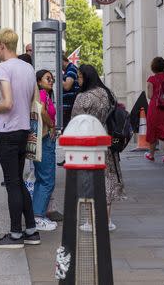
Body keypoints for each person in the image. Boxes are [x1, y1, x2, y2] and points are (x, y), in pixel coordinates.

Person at [0, 28, 41, 248]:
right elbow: (33, 100)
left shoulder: (4, 68)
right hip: (24, 129)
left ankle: (15, 234)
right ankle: (32, 230)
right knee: (18, 180)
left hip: (8, 131)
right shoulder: (28, 67)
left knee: (12, 183)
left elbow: (7, 103)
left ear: (1, 45)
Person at [71, 64, 125, 230]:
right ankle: (107, 220)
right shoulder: (108, 93)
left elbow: (75, 120)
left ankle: (91, 221)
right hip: (107, 142)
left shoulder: (83, 97)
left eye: (79, 77)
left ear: (86, 77)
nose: (77, 80)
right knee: (107, 179)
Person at [31, 69, 58, 231]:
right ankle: (38, 217)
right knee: (47, 179)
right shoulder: (41, 93)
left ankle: (37, 215)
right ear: (39, 81)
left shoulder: (46, 95)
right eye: (47, 78)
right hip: (45, 139)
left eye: (52, 79)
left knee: (42, 179)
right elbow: (41, 111)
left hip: (45, 139)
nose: (51, 81)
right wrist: (53, 125)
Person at [60, 52, 80, 128]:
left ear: (61, 61)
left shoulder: (71, 69)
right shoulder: (68, 70)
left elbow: (67, 86)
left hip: (69, 108)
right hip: (67, 107)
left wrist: (58, 76)